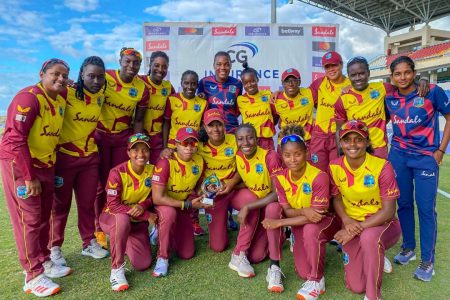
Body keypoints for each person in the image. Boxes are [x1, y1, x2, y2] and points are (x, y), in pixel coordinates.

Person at [0, 58, 71, 297]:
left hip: (45, 164)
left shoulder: (60, 99)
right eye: (55, 74)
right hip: (21, 166)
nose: (60, 79)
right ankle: (31, 275)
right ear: (42, 74)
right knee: (29, 219)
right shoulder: (29, 98)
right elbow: (15, 139)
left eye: (64, 75)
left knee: (44, 214)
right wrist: (29, 177)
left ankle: (43, 261)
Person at [386, 56, 450, 281]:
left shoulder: (431, 91)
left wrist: (441, 150)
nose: (402, 77)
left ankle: (427, 261)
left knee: (425, 209)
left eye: (406, 72)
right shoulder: (389, 97)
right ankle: (408, 248)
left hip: (425, 158)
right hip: (399, 157)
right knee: (403, 204)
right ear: (391, 76)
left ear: (413, 73)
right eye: (397, 74)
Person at [262, 125, 340, 297]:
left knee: (312, 228)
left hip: (325, 221)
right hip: (301, 220)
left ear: (306, 152)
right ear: (282, 156)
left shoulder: (319, 176)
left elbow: (317, 216)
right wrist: (305, 210)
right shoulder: (280, 178)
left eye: (297, 154)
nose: (293, 159)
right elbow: (289, 211)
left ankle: (316, 281)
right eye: (287, 155)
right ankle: (274, 266)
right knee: (273, 208)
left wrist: (280, 223)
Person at [329, 120, 401, 300]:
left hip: (381, 223)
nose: (352, 144)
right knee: (356, 286)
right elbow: (337, 198)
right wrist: (346, 221)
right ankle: (375, 255)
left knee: (370, 238)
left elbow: (388, 212)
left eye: (358, 139)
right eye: (347, 140)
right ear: (341, 142)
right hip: (352, 224)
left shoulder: (382, 166)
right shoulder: (335, 166)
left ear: (367, 142)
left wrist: (354, 230)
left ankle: (373, 295)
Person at [48, 56, 109, 267]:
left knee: (87, 204)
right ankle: (54, 248)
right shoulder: (67, 92)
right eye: (91, 76)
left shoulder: (102, 95)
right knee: (60, 206)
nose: (95, 81)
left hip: (90, 159)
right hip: (64, 159)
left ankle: (88, 242)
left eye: (100, 77)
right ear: (81, 74)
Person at [94, 47, 149, 248]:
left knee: (119, 184)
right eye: (127, 62)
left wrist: (135, 146)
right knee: (99, 186)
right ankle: (99, 229)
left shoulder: (142, 88)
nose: (131, 66)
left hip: (121, 139)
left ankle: (122, 225)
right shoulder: (105, 77)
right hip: (99, 136)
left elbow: (139, 120)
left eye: (135, 63)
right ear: (120, 61)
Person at [99, 133, 157, 291]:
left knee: (142, 264)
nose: (140, 154)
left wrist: (144, 204)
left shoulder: (153, 170)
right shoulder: (117, 172)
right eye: (135, 150)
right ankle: (116, 269)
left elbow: (155, 197)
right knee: (122, 219)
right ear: (128, 152)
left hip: (136, 224)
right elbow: (114, 205)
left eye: (145, 150)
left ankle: (123, 241)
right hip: (111, 217)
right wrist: (146, 214)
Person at [151, 127, 210, 277]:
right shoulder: (166, 162)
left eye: (193, 144)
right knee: (169, 213)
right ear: (176, 144)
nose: (189, 147)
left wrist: (206, 196)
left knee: (187, 253)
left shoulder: (199, 161)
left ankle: (167, 233)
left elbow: (197, 189)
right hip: (163, 206)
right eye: (185, 143)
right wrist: (189, 204)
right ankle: (162, 257)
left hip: (182, 205)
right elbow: (157, 198)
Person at [229, 124, 282, 278]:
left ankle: (278, 235)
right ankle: (239, 254)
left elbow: (277, 193)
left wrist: (248, 207)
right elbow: (246, 175)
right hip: (252, 200)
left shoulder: (269, 156)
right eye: (240, 139)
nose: (245, 142)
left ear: (257, 139)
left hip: (266, 203)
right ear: (236, 141)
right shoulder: (238, 155)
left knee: (257, 257)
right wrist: (230, 185)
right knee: (250, 200)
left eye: (250, 137)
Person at [196, 109, 240, 251]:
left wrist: (232, 182)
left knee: (251, 201)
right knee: (218, 247)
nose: (216, 129)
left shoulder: (235, 140)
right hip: (214, 194)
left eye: (219, 124)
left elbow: (245, 167)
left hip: (235, 189)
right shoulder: (198, 146)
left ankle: (253, 234)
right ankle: (223, 220)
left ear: (225, 124)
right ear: (204, 126)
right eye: (211, 125)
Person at [335, 56, 392, 158]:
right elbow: (339, 128)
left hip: (378, 147)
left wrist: (423, 80)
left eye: (361, 73)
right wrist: (341, 150)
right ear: (348, 76)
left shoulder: (382, 88)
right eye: (353, 75)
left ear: (368, 73)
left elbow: (405, 88)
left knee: (379, 174)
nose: (358, 78)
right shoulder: (342, 99)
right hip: (356, 148)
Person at [309, 51, 351, 171]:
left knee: (336, 172)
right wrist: (279, 93)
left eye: (334, 65)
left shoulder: (351, 85)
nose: (331, 69)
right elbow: (300, 96)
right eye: (327, 66)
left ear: (341, 65)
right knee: (318, 172)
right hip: (319, 135)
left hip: (338, 135)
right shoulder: (319, 83)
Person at [140, 51, 175, 164]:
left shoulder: (168, 87)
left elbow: (170, 115)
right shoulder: (139, 82)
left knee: (157, 171)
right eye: (157, 65)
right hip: (139, 135)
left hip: (158, 139)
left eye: (164, 67)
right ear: (150, 65)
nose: (160, 69)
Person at [198, 51, 243, 133]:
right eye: (219, 64)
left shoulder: (237, 84)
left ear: (230, 66)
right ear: (214, 66)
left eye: (226, 64)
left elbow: (238, 108)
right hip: (212, 130)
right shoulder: (204, 82)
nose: (223, 67)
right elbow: (199, 107)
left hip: (232, 129)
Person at [163, 70, 207, 150]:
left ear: (197, 85)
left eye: (193, 84)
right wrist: (165, 146)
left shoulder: (203, 103)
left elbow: (203, 126)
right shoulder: (172, 99)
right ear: (181, 83)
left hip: (192, 146)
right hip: (173, 145)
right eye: (186, 83)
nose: (189, 87)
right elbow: (166, 124)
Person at [237, 63, 276, 150]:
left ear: (257, 79)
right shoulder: (240, 100)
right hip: (249, 141)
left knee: (268, 162)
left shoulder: (268, 94)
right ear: (243, 84)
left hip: (267, 140)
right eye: (246, 83)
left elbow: (275, 115)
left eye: (252, 81)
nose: (249, 85)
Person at [273, 68, 314, 151]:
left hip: (307, 141)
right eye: (287, 81)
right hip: (285, 142)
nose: (290, 84)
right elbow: (273, 120)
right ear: (282, 83)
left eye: (294, 80)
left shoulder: (310, 93)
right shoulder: (275, 100)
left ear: (299, 82)